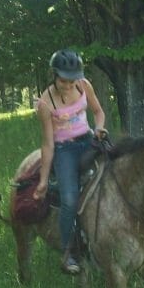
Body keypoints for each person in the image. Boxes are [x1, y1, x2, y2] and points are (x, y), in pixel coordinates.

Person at [31, 49, 108, 275]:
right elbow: (47, 143)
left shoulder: (84, 85)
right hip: (64, 149)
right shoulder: (45, 102)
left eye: (71, 79)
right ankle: (69, 252)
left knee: (116, 172)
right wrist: (44, 179)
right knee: (69, 199)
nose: (68, 84)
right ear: (54, 75)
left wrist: (99, 129)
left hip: (88, 138)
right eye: (63, 79)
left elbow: (98, 111)